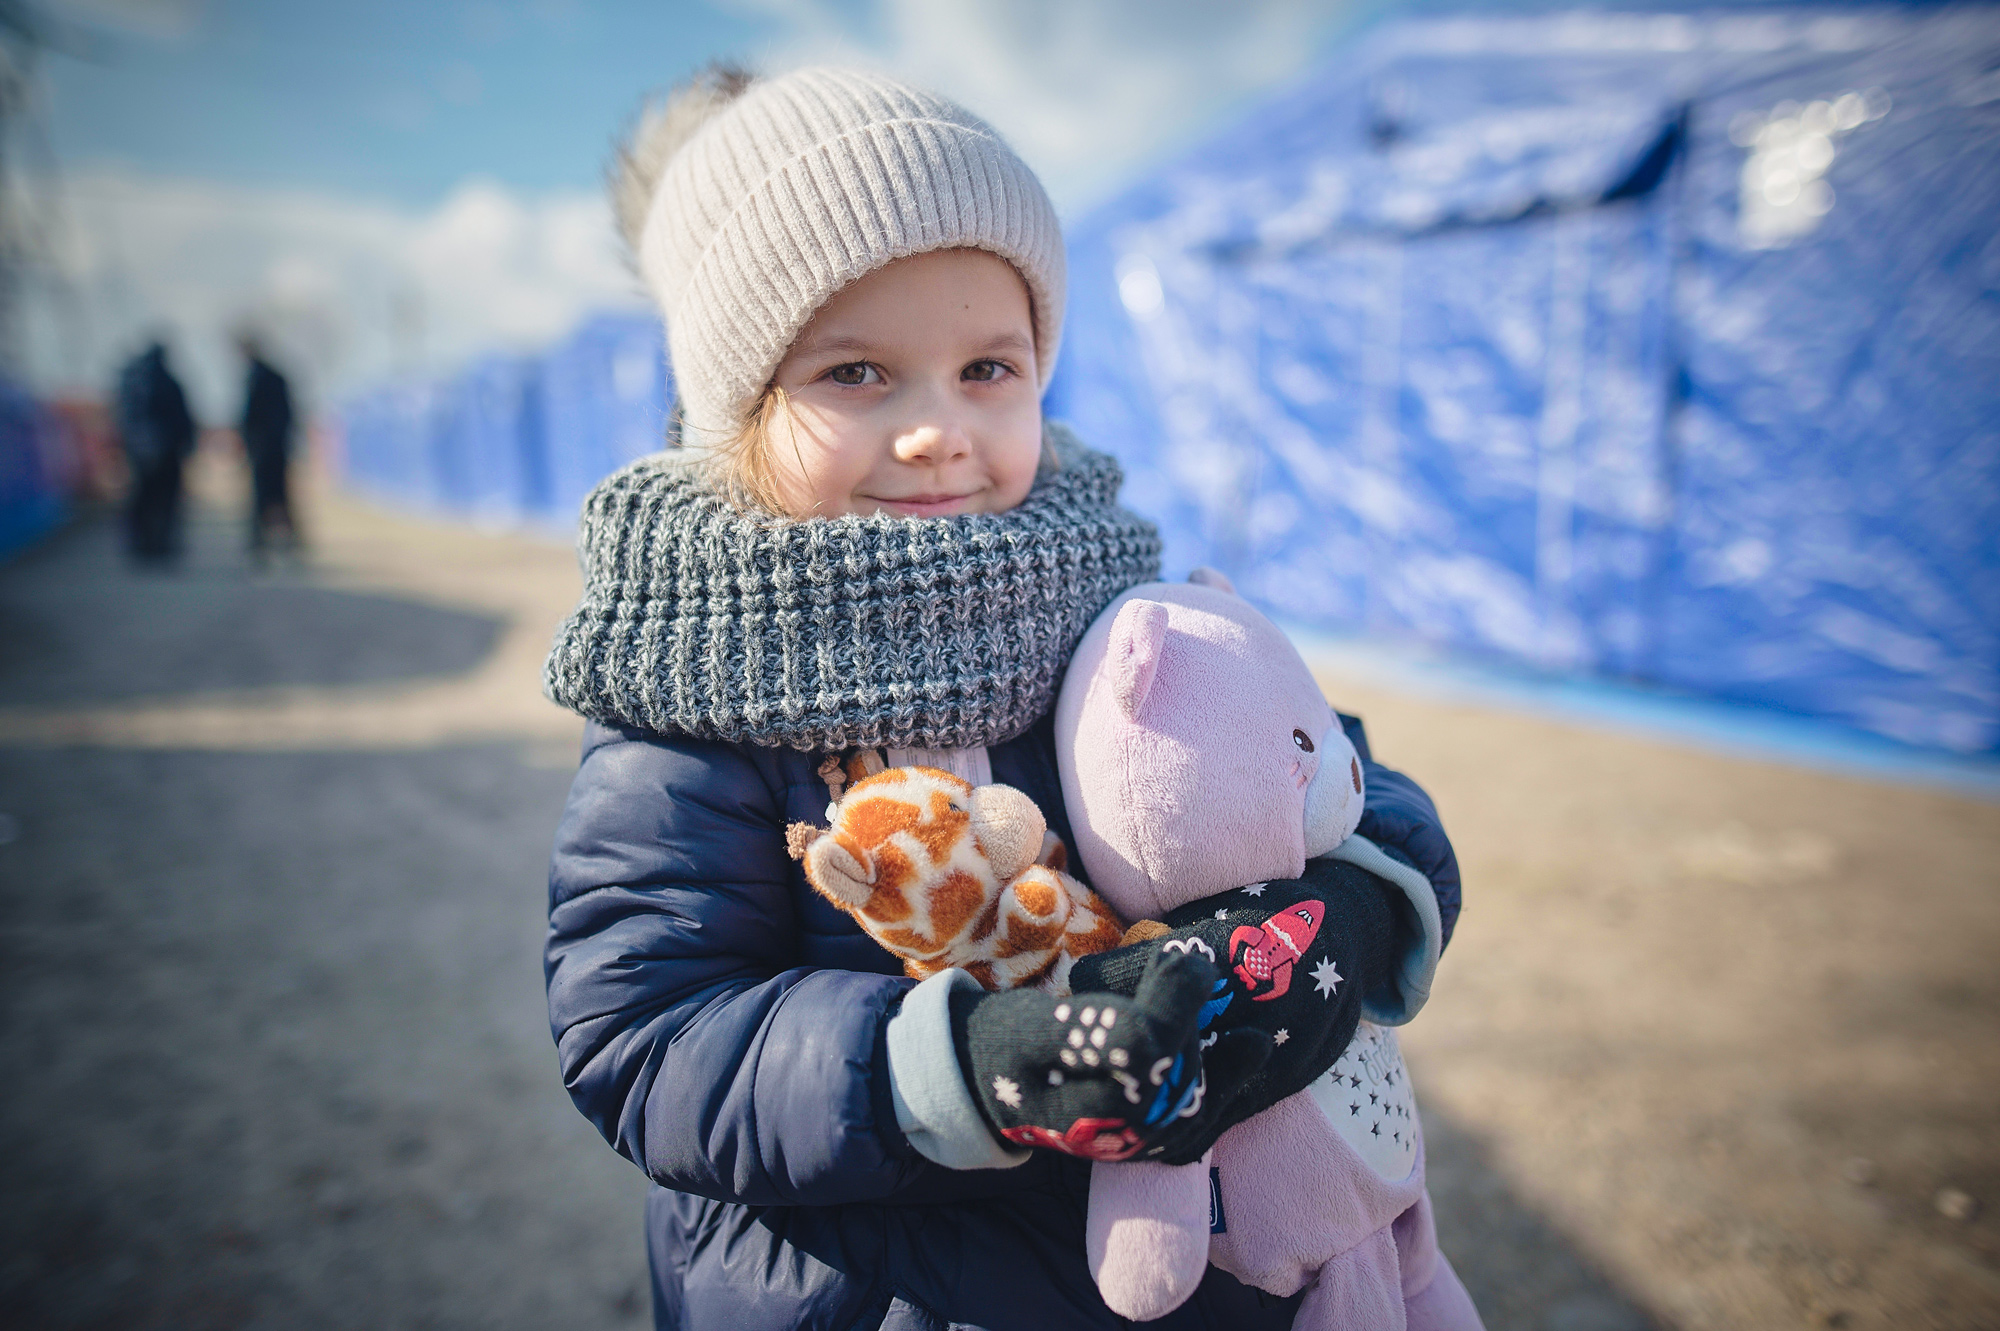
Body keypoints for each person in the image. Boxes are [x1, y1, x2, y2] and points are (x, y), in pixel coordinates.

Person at [541, 66, 1466, 1330]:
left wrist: (1346, 913)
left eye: (987, 365)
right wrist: (964, 1066)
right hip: (876, 1288)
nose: (938, 428)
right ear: (736, 403)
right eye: (857, 372)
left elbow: (1329, 764)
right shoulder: (693, 693)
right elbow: (647, 1033)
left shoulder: (1104, 578)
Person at [114, 339, 196, 565]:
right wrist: (187, 446)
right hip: (168, 455)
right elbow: (183, 420)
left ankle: (141, 546)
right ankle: (162, 546)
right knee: (166, 503)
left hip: (140, 456)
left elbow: (124, 421)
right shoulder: (169, 383)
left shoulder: (131, 384)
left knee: (142, 501)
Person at [237, 334, 299, 560]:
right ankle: (288, 543)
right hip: (276, 446)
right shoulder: (274, 376)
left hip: (263, 449)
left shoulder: (256, 377)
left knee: (263, 496)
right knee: (279, 495)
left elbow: (249, 417)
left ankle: (260, 544)